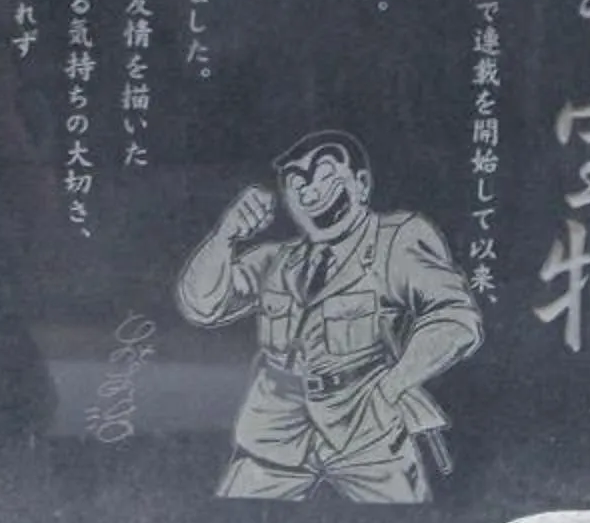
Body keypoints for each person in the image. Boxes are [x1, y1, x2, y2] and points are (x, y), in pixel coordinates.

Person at [176, 128, 482, 503]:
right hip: (276, 428)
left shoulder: (395, 244)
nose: (309, 192)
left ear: (361, 184)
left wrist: (391, 387)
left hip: (365, 426)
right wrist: (225, 236)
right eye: (296, 182)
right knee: (232, 519)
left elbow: (455, 319)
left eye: (324, 175)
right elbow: (203, 304)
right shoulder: (279, 261)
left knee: (408, 521)